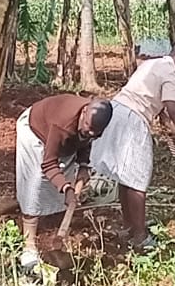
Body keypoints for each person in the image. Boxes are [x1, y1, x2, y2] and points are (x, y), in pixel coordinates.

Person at [91, 44, 175, 251]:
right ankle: (140, 236)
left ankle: (129, 226)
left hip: (116, 111)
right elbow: (173, 110)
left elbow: (160, 107)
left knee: (126, 176)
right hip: (133, 119)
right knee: (138, 179)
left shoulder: (151, 63)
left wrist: (165, 120)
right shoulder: (171, 71)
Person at [16, 95, 113, 271]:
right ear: (84, 112)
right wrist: (67, 188)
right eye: (88, 128)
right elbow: (48, 164)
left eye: (96, 133)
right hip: (35, 133)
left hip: (63, 140)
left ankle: (51, 236)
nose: (91, 134)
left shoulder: (93, 123)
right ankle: (29, 246)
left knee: (58, 188)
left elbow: (85, 141)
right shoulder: (62, 124)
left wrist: (84, 166)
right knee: (35, 183)